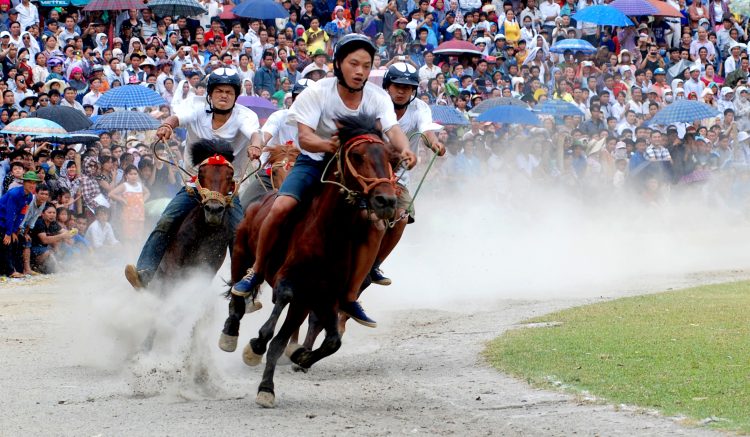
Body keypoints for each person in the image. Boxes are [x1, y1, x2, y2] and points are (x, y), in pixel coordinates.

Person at [231, 34, 417, 328]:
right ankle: (255, 270)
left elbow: (392, 129)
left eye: (366, 66)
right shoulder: (317, 92)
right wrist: (329, 146)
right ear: (338, 63)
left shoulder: (378, 97)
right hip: (314, 162)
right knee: (281, 207)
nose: (360, 71)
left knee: (380, 222)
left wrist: (404, 148)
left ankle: (351, 295)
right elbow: (304, 137)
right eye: (353, 63)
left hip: (356, 169)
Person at [124, 68, 262, 289]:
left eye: (229, 91)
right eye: (218, 91)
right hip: (195, 183)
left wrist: (256, 144)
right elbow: (178, 118)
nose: (224, 95)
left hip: (227, 188)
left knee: (241, 233)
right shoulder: (196, 108)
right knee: (166, 220)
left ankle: (245, 288)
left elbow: (254, 133)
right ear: (210, 94)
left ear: (236, 95)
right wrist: (167, 125)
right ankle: (144, 272)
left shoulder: (246, 116)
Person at [372, 61, 445, 285]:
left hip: (398, 177)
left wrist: (435, 145)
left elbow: (427, 131)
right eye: (397, 86)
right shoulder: (376, 104)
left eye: (408, 87)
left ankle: (374, 266)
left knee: (402, 218)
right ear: (387, 86)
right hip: (370, 173)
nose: (402, 91)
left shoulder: (420, 108)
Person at [0, 171, 38, 278]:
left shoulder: (30, 196)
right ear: (24, 183)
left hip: (8, 222)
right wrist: (8, 233)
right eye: (29, 182)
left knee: (16, 242)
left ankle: (18, 269)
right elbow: (9, 214)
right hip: (2, 220)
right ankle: (10, 272)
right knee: (6, 243)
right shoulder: (14, 194)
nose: (32, 185)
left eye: (34, 183)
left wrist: (14, 231)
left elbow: (21, 214)